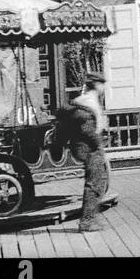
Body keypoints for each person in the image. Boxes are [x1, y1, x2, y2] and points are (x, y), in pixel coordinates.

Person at [54, 72, 110, 232]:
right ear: (97, 85)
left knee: (95, 184)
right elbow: (89, 131)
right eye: (102, 84)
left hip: (80, 146)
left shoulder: (81, 99)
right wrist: (99, 147)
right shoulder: (89, 103)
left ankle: (91, 217)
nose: (104, 88)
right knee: (94, 184)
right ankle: (87, 222)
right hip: (90, 149)